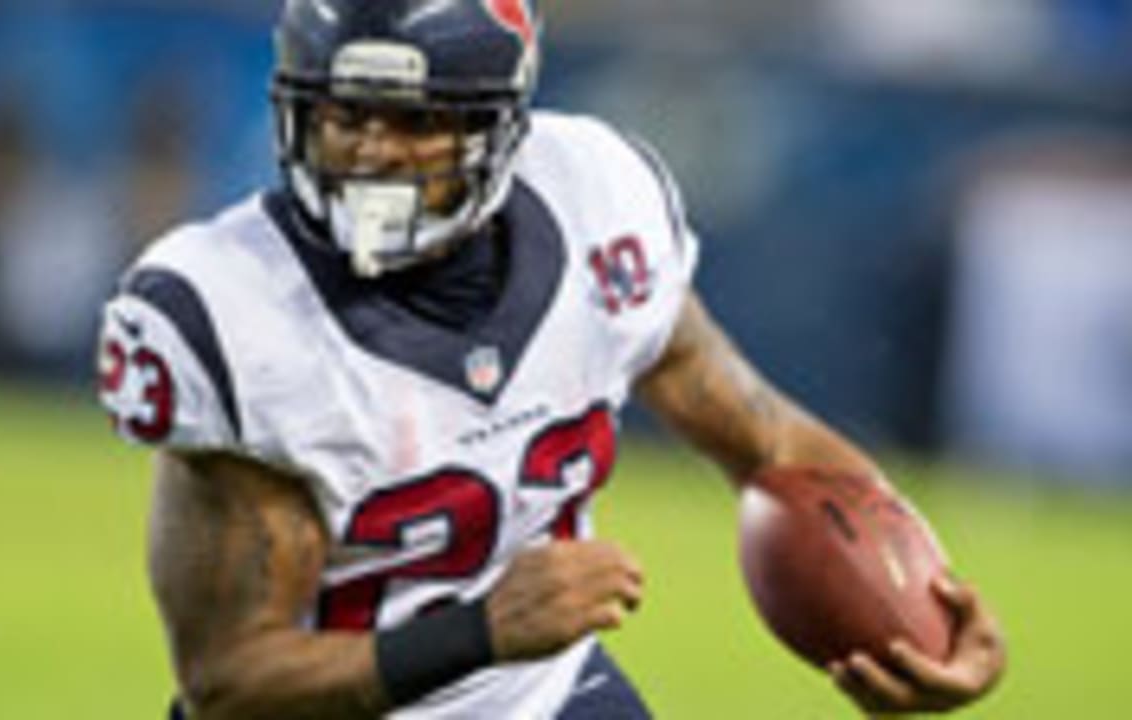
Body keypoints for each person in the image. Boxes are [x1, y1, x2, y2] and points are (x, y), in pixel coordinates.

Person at [96, 1, 1006, 717]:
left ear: (498, 129)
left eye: (414, 120)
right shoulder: (233, 309)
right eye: (343, 114)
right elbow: (228, 686)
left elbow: (770, 442)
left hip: (545, 700)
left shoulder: (595, 202)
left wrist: (923, 602)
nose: (372, 151)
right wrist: (481, 632)